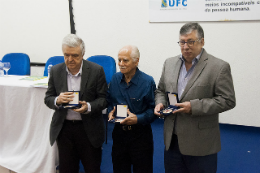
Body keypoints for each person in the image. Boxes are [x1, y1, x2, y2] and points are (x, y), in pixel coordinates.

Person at [154, 23, 236, 173]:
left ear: (202, 41)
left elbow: (228, 100)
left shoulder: (218, 67)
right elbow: (161, 90)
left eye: (191, 41)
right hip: (172, 141)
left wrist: (194, 107)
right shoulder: (169, 63)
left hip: (201, 143)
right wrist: (160, 103)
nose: (186, 46)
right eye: (182, 42)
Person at [44, 34, 107, 173]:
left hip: (88, 128)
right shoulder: (55, 71)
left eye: (75, 55)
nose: (70, 59)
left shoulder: (96, 71)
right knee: (67, 169)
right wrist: (57, 100)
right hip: (64, 129)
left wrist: (88, 107)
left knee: (92, 168)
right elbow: (48, 98)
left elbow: (103, 99)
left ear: (83, 53)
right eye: (66, 55)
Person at [107, 45, 157, 173]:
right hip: (119, 134)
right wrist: (110, 112)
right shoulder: (115, 79)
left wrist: (137, 119)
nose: (121, 64)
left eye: (125, 60)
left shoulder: (147, 81)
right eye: (119, 60)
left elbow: (153, 111)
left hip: (140, 135)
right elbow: (109, 102)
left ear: (136, 61)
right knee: (119, 169)